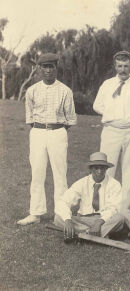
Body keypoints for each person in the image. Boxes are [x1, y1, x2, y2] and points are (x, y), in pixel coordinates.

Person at [18, 53, 77, 226]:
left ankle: (61, 213)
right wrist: (41, 130)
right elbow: (30, 117)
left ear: (56, 68)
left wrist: (56, 130)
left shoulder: (65, 90)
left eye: (51, 66)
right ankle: (35, 212)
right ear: (39, 69)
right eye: (44, 67)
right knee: (37, 172)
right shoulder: (32, 90)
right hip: (37, 132)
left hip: (58, 132)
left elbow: (71, 119)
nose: (48, 70)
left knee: (60, 174)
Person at [93, 51, 130, 210]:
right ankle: (105, 205)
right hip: (112, 130)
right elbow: (97, 105)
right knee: (107, 168)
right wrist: (110, 114)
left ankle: (125, 208)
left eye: (126, 66)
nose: (123, 69)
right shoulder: (107, 84)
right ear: (115, 66)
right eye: (119, 66)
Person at [54, 152, 124, 240]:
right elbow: (62, 202)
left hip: (104, 219)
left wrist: (99, 223)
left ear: (106, 169)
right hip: (83, 219)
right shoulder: (81, 183)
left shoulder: (114, 184)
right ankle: (94, 234)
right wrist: (67, 220)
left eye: (102, 168)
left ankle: (82, 234)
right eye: (96, 168)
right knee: (58, 218)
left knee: (119, 218)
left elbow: (113, 208)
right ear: (90, 169)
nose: (99, 171)